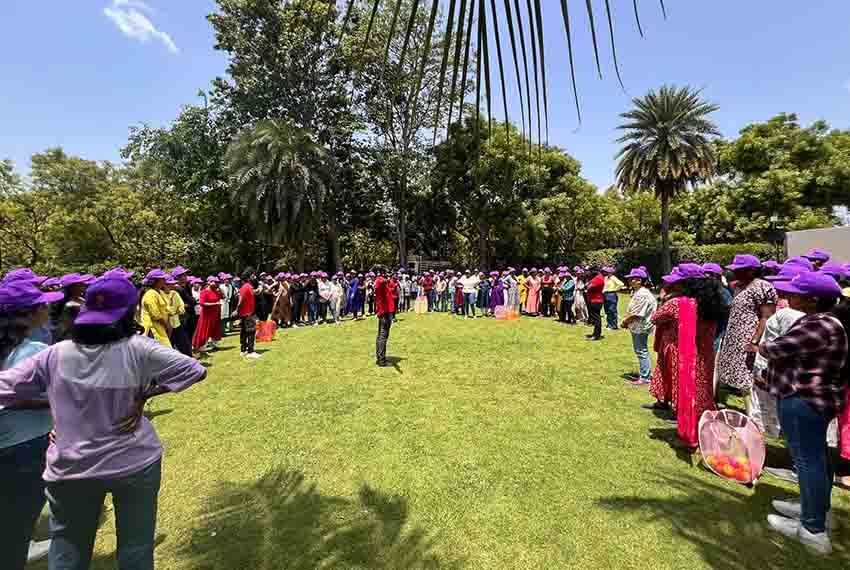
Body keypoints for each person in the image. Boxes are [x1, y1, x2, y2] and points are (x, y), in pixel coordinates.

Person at [0, 274, 206, 570]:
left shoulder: (55, 354)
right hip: (134, 462)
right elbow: (194, 370)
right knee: (136, 550)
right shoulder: (139, 348)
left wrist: (61, 403)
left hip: (71, 467)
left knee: (67, 551)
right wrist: (144, 394)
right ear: (129, 311)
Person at [760, 272, 848, 554]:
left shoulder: (819, 325)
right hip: (811, 399)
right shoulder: (823, 321)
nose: (789, 296)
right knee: (817, 458)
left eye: (796, 293)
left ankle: (812, 529)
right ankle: (816, 512)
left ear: (812, 300)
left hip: (803, 400)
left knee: (808, 461)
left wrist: (760, 347)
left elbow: (776, 348)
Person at [0, 280, 64, 569]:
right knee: (17, 527)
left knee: (11, 523)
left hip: (9, 443)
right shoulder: (34, 350)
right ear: (32, 311)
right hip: (28, 444)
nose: (48, 306)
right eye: (43, 303)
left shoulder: (12, 348)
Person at [646, 264, 725, 448]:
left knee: (685, 395)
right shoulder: (711, 302)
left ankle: (689, 438)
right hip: (705, 355)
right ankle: (706, 432)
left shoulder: (679, 304)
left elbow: (656, 318)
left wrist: (666, 298)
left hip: (684, 356)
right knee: (702, 394)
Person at [716, 255, 777, 396]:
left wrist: (755, 341)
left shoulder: (763, 287)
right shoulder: (738, 286)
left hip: (749, 340)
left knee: (749, 380)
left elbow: (766, 317)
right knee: (740, 380)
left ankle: (753, 415)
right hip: (735, 340)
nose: (734, 272)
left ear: (750, 271)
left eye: (738, 270)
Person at [621, 267, 658, 385]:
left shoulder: (642, 294)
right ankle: (645, 374)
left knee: (641, 350)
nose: (630, 281)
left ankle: (645, 377)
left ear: (640, 280)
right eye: (630, 279)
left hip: (640, 327)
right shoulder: (638, 292)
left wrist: (625, 322)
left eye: (633, 279)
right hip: (638, 326)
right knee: (641, 350)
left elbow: (637, 314)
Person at [50, 273, 93, 343]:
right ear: (71, 288)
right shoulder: (70, 305)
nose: (83, 287)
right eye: (80, 284)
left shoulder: (81, 299)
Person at [140, 269, 172, 349]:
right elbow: (155, 315)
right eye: (162, 279)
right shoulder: (150, 294)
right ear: (156, 281)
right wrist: (167, 325)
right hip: (153, 330)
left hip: (161, 328)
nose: (165, 281)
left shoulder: (160, 292)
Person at [236, 269, 261, 359]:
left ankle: (243, 350)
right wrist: (237, 310)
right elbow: (240, 299)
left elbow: (254, 293)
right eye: (253, 275)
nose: (254, 277)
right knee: (251, 331)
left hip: (248, 312)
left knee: (245, 332)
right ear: (248, 277)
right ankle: (250, 351)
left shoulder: (248, 286)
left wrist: (258, 290)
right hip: (247, 313)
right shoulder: (246, 286)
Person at [192, 277, 222, 352]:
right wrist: (215, 304)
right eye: (214, 282)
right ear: (209, 282)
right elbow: (202, 303)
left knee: (215, 330)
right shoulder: (204, 292)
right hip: (206, 315)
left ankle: (214, 344)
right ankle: (201, 346)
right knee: (204, 330)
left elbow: (222, 297)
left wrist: (220, 291)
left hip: (216, 314)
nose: (216, 283)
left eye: (217, 282)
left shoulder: (216, 291)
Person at [373, 266, 395, 367]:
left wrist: (389, 278)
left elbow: (392, 286)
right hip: (384, 312)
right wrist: (386, 276)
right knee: (383, 336)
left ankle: (380, 357)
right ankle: (381, 360)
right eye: (386, 272)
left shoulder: (383, 282)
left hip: (386, 311)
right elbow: (381, 282)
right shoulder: (379, 281)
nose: (388, 274)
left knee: (381, 336)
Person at [165, 275, 191, 357]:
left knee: (184, 344)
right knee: (168, 345)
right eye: (170, 284)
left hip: (176, 323)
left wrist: (176, 311)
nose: (172, 286)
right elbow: (165, 309)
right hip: (166, 325)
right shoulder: (160, 294)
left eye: (173, 284)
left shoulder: (175, 293)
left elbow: (181, 307)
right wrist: (173, 311)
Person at [585, 268, 605, 341]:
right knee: (596, 318)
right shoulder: (597, 278)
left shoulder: (598, 278)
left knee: (596, 319)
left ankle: (596, 335)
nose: (588, 273)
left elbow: (588, 287)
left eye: (589, 272)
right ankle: (595, 334)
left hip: (596, 300)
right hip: (593, 300)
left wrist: (588, 284)